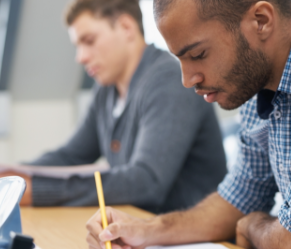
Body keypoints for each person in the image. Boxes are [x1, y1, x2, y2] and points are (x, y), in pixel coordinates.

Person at [0, 0, 226, 214]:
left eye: (89, 40)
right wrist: (9, 174)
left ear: (126, 27)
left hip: (193, 237)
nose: (80, 57)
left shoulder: (168, 80)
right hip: (145, 229)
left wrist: (36, 190)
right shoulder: (107, 89)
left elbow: (146, 183)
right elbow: (70, 156)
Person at [85, 0, 291, 248]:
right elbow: (241, 196)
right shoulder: (255, 87)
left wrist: (253, 224)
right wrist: (145, 229)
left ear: (261, 21)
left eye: (198, 54)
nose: (186, 80)